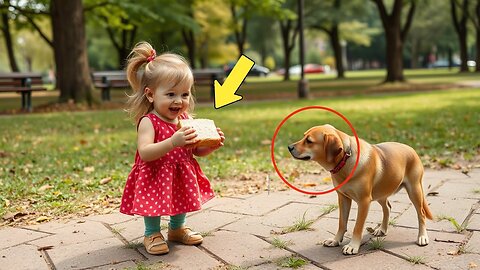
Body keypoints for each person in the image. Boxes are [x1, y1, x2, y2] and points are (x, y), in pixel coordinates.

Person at [120, 41, 225, 255]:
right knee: (154, 203)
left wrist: (210, 146)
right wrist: (172, 142)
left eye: (184, 94)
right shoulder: (149, 121)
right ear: (150, 95)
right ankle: (151, 233)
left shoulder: (184, 119)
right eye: (170, 95)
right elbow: (145, 152)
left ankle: (176, 229)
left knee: (181, 197)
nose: (179, 101)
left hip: (180, 170)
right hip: (155, 172)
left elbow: (194, 150)